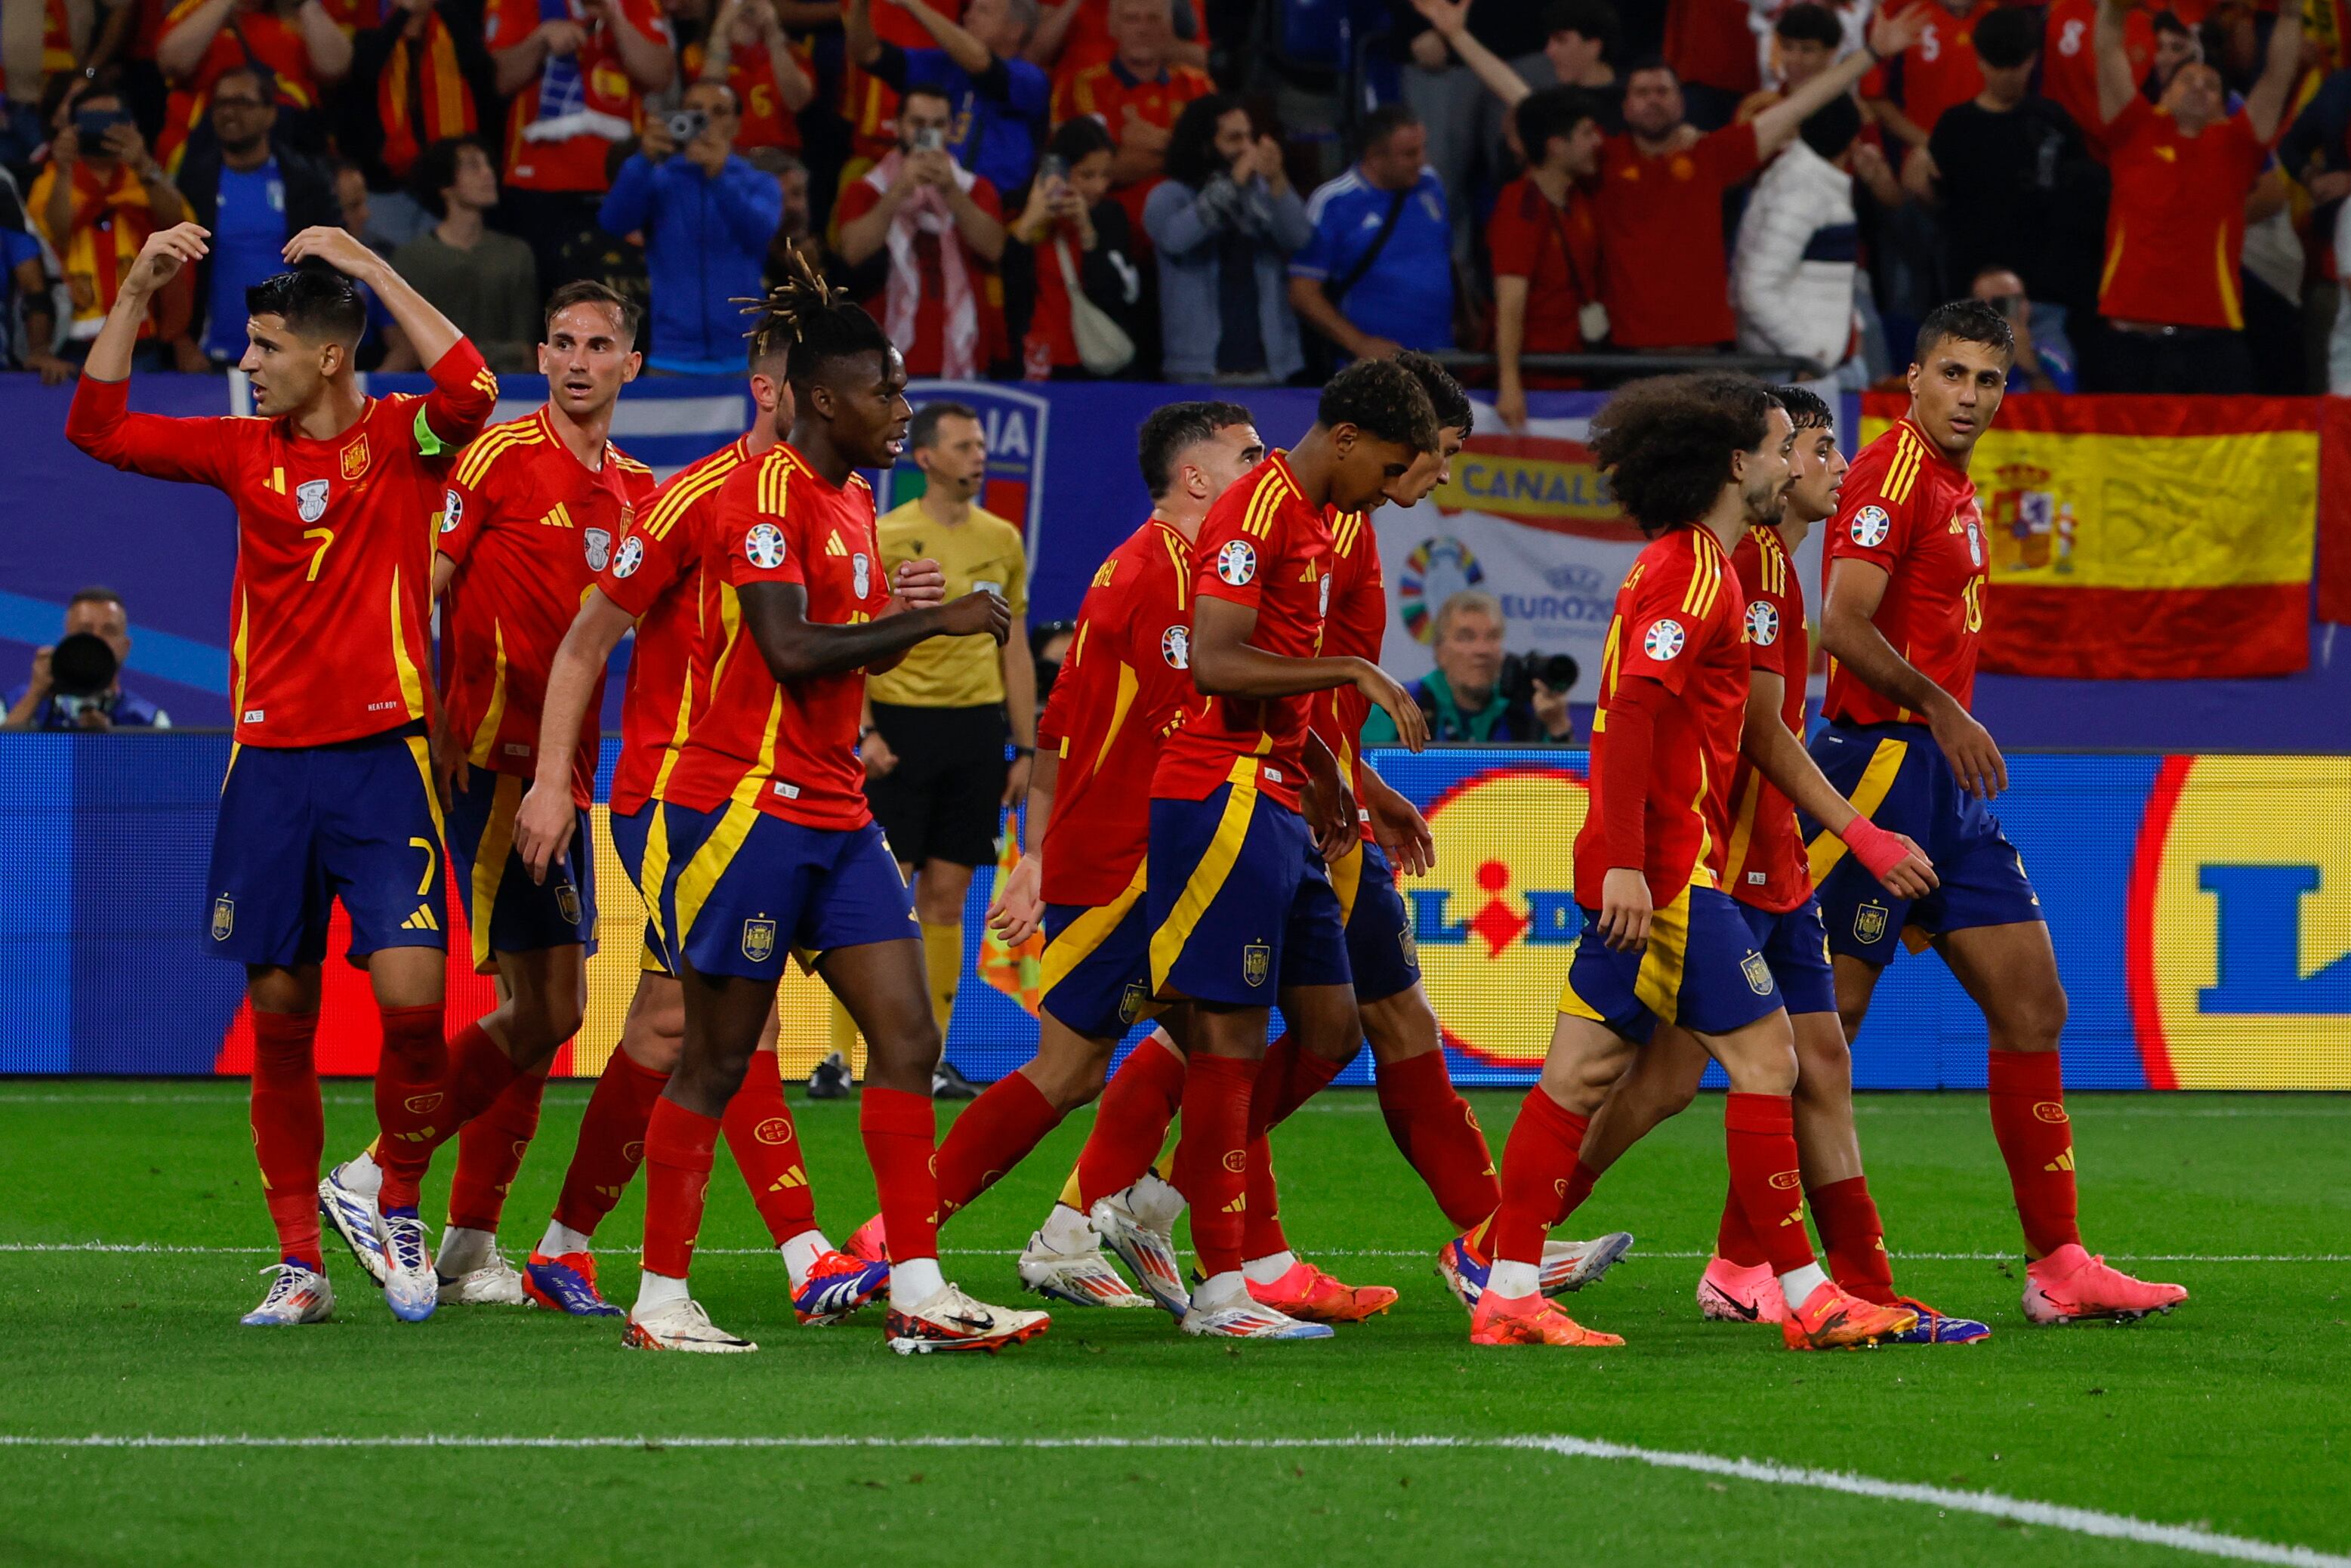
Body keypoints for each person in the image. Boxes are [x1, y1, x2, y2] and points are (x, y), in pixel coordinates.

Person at [66, 219, 498, 1326]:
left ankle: (395, 1204)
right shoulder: (237, 452)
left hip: (381, 763)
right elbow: (96, 427)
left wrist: (367, 268)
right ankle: (300, 1262)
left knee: (412, 1004)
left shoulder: (405, 440)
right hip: (266, 768)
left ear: (328, 356)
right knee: (280, 1011)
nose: (246, 365)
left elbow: (476, 386)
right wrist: (135, 290)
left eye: (263, 347)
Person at [1442, 373, 1923, 1351]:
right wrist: (1627, 862)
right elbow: (1629, 720)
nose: (1801, 462)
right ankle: (1800, 1291)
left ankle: (1506, 1287)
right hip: (1668, 871)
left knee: (1578, 1078)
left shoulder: (1700, 564)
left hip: (1653, 863)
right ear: (1737, 463)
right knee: (1766, 1061)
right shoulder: (1703, 572)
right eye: (1788, 445)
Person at [623, 261, 1035, 1354]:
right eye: (886, 392)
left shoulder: (854, 501)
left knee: (909, 1036)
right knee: (714, 1058)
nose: (902, 412)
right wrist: (935, 623)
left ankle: (918, 1288)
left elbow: (832, 638)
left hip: (833, 804)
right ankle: (660, 1300)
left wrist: (906, 619)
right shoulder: (761, 498)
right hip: (742, 808)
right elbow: (790, 648)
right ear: (819, 400)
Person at [506, 323, 895, 1326]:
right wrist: (556, 782)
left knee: (665, 1025)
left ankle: (561, 1248)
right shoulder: (694, 497)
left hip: (782, 797)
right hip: (680, 803)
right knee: (737, 1015)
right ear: (777, 392)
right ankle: (807, 1252)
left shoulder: (839, 500)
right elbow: (589, 639)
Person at [1807, 297, 2188, 1322]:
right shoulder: (1890, 475)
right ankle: (1748, 1261)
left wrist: (1944, 720)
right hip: (1878, 767)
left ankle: (2058, 1265)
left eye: (1989, 379)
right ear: (1914, 380)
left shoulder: (1954, 484)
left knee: (2033, 1006)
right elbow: (1837, 626)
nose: (1971, 396)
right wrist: (1941, 707)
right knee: (1825, 1022)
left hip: (1942, 775)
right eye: (1954, 375)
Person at [841, 401, 1263, 1310]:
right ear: (1196, 477)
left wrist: (1033, 852)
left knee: (1221, 1044)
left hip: (1148, 857)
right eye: (1248, 456)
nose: (1263, 471)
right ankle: (916, 1237)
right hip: (1129, 866)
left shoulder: (1170, 569)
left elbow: (1055, 729)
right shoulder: (1155, 576)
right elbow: (1138, 739)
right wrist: (1045, 857)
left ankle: (1108, 1235)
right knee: (1083, 1066)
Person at [315, 280, 659, 1307]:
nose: (579, 360)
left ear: (631, 365)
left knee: (544, 1009)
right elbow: (423, 583)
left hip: (564, 776)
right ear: (541, 356)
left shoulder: (641, 489)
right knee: (550, 1004)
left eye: (600, 345)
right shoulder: (499, 457)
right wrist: (418, 717)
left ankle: (466, 1241)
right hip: (486, 767)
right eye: (562, 342)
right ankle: (378, 1175)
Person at [1145, 357, 1436, 1338]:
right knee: (1223, 1037)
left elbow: (1270, 676)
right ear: (1345, 439)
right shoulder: (1255, 511)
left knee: (1330, 1028)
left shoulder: (1318, 520)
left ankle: (1158, 1194)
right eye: (1389, 467)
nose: (1394, 490)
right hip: (1220, 794)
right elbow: (1220, 661)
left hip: (1280, 798)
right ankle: (1221, 1290)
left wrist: (1326, 767)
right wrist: (1354, 667)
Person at [1419, 0, 1927, 353]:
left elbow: (1800, 103)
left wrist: (1871, 56)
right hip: (1623, 353)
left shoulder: (1710, 157)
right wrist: (1459, 36)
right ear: (1625, 105)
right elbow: (1523, 101)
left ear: (1681, 102)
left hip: (1705, 352)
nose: (1653, 100)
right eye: (1641, 93)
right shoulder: (1604, 161)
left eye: (1663, 91)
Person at [859, 400, 1035, 1051]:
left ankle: (928, 1049)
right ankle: (838, 1055)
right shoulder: (886, 532)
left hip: (974, 732)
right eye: (963, 446)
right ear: (926, 457)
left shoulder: (1001, 539)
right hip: (899, 729)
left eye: (981, 445)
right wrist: (865, 729)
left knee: (948, 894)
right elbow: (858, 634)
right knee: (883, 889)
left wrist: (1024, 744)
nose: (978, 456)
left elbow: (1012, 646)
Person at [2087, 0, 2300, 394]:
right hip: (2127, 341)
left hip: (2212, 341)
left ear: (2223, 107)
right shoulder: (2133, 129)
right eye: (2189, 80)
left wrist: (2289, 16)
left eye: (2212, 85)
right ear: (2163, 96)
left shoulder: (2238, 145)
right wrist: (2114, 11)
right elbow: (2108, 47)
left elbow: (2277, 78)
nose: (2201, 86)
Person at [1915, 6, 2099, 375]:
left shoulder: (2053, 122)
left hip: (2045, 296)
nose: (2007, 76)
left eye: (2016, 65)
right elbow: (1934, 201)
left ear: (2032, 60)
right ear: (1980, 61)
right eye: (1998, 65)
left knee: (2050, 388)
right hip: (1971, 298)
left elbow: (2081, 202)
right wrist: (1916, 182)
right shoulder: (1956, 126)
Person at [483, 0, 674, 285]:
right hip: (539, 181)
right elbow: (500, 80)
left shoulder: (637, 4)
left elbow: (659, 76)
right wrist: (540, 38)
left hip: (621, 178)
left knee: (621, 297)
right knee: (549, 298)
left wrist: (616, 18)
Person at [598, 79, 783, 373]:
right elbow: (614, 223)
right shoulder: (658, 178)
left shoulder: (759, 183)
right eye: (696, 110)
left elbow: (761, 234)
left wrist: (719, 176)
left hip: (744, 355)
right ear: (679, 117)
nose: (707, 119)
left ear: (736, 125)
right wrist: (643, 160)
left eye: (719, 111)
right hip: (672, 355)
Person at [836, 82, 1008, 379]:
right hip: (884, 361)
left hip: (964, 358)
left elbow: (993, 247)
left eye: (938, 124)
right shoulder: (866, 189)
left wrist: (951, 192)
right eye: (917, 123)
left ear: (951, 130)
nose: (927, 133)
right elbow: (853, 252)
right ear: (899, 126)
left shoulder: (975, 189)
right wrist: (898, 191)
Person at [173, 65, 338, 365]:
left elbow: (331, 270)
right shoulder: (193, 184)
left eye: (243, 103)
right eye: (222, 103)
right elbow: (173, 269)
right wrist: (181, 341)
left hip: (292, 358)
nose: (230, 112)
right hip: (210, 358)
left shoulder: (306, 183)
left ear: (270, 113)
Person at [1144, 94, 1312, 385]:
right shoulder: (1169, 196)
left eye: (1250, 137)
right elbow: (1176, 239)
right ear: (1205, 145)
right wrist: (1233, 183)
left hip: (1268, 369)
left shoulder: (1260, 192)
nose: (1248, 148)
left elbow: (1298, 238)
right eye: (1234, 139)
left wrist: (1277, 181)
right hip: (1197, 372)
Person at [30, 87, 190, 363]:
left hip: (141, 338)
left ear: (130, 123)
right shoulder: (51, 181)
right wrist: (65, 167)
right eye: (91, 120)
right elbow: (57, 233)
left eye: (111, 119)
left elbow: (176, 222)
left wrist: (143, 164)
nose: (102, 129)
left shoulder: (142, 179)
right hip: (74, 343)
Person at [1288, 103, 1454, 362]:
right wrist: (1360, 344)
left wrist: (1467, 316)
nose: (1422, 161)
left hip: (1442, 360)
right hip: (1372, 370)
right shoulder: (1334, 202)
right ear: (1375, 156)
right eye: (1410, 154)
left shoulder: (1431, 185)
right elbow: (1303, 292)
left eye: (1423, 148)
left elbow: (1444, 255)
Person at [846, 0, 1050, 200]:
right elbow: (868, 54)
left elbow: (982, 64)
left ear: (1015, 30)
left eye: (983, 11)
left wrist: (914, 4)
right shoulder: (946, 65)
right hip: (930, 199)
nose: (968, 16)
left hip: (999, 208)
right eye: (970, 9)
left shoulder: (1030, 77)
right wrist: (861, 5)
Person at [1487, 85, 1606, 430]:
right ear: (1556, 145)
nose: (1598, 141)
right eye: (1586, 133)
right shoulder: (1519, 208)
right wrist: (1510, 385)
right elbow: (1510, 304)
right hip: (1538, 388)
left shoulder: (1579, 198)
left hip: (1578, 372)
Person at [338, 0, 500, 247]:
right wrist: (402, 15)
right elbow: (364, 73)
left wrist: (443, 12)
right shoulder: (372, 28)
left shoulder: (454, 24)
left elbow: (483, 73)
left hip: (444, 188)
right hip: (385, 188)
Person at [1053, 0, 1214, 236]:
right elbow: (1084, 174)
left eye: (1153, 19)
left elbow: (1218, 160)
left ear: (1169, 28)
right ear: (1113, 27)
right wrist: (1184, 149)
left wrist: (1159, 147)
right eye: (1131, 19)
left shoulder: (1198, 86)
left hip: (1190, 229)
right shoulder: (1081, 87)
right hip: (1109, 232)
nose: (1142, 29)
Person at [1001, 114, 1140, 378]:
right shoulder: (1019, 209)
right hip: (1036, 363)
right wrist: (1029, 224)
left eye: (1106, 175)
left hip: (1095, 363)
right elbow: (1011, 291)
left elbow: (1119, 297)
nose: (1098, 187)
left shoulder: (1109, 217)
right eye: (1087, 175)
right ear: (1060, 170)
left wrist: (1088, 234)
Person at [387, 136, 541, 373]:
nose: (488, 173)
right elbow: (412, 346)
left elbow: (526, 350)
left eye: (488, 164)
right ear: (445, 184)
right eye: (473, 166)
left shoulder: (516, 254)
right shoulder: (412, 258)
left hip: (508, 388)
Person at [1732, 95, 1862, 374]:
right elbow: (1755, 288)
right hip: (1793, 371)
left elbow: (1824, 277)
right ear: (1854, 141)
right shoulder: (1801, 191)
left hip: (1814, 364)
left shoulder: (1812, 181)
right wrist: (1808, 354)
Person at [154, 0, 353, 170]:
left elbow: (335, 67)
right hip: (203, 157)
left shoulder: (299, 16)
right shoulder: (196, 9)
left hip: (291, 158)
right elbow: (173, 62)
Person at [1362, 588, 1575, 745]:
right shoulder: (1396, 705)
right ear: (1440, 652)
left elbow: (1563, 794)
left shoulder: (1525, 712)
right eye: (1466, 637)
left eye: (1492, 637)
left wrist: (1558, 726)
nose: (1481, 650)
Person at [4, 587, 171, 730]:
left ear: (125, 647)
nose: (96, 640)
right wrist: (35, 694)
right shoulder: (15, 704)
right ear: (66, 640)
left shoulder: (149, 721)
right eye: (85, 630)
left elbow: (166, 768)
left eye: (109, 631)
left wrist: (112, 742)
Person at [1862, 0, 1989, 164]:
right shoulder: (1898, 13)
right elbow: (1874, 96)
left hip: (1987, 157)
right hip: (1918, 161)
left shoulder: (2002, 13)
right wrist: (1932, 145)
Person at [692, 0, 815, 156]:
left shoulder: (794, 53)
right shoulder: (698, 54)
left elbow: (797, 101)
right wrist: (722, 31)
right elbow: (707, 98)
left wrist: (773, 34)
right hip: (723, 155)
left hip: (777, 158)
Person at [1973, 266, 2073, 392]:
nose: (2009, 312)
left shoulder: (2051, 359)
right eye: (1999, 304)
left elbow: (2063, 408)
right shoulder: (1955, 357)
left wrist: (2031, 366)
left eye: (2016, 301)